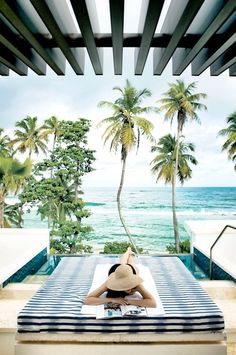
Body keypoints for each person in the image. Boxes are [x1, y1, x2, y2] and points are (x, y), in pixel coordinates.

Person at [84, 247, 156, 308]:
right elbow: (88, 300)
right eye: (125, 284)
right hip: (117, 271)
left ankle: (129, 252)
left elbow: (153, 303)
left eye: (129, 284)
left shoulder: (136, 284)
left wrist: (128, 301)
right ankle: (127, 251)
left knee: (131, 263)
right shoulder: (110, 283)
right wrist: (112, 300)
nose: (129, 288)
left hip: (129, 270)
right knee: (122, 262)